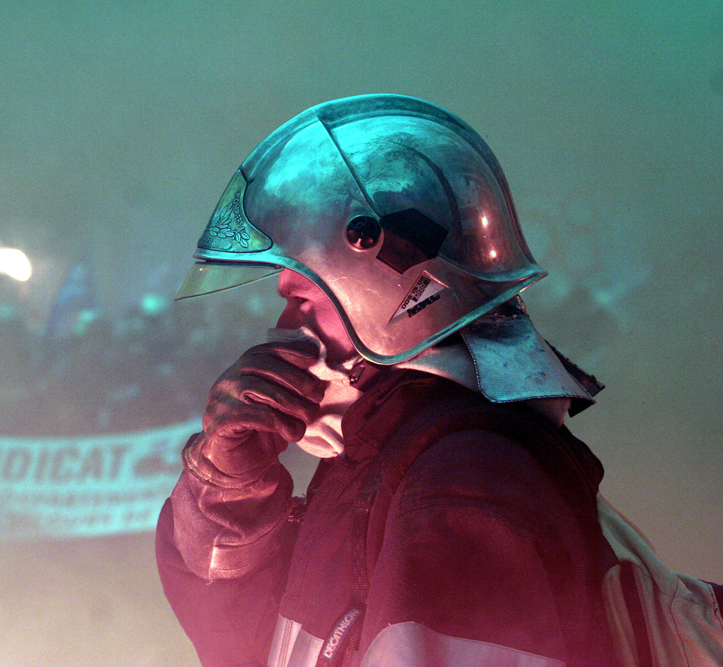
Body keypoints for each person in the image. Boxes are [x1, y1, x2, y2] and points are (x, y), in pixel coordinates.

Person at [155, 95, 617, 667]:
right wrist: (229, 485)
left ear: (376, 291)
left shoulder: (462, 478)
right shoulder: (385, 459)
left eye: (300, 295)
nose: (283, 326)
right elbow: (248, 646)